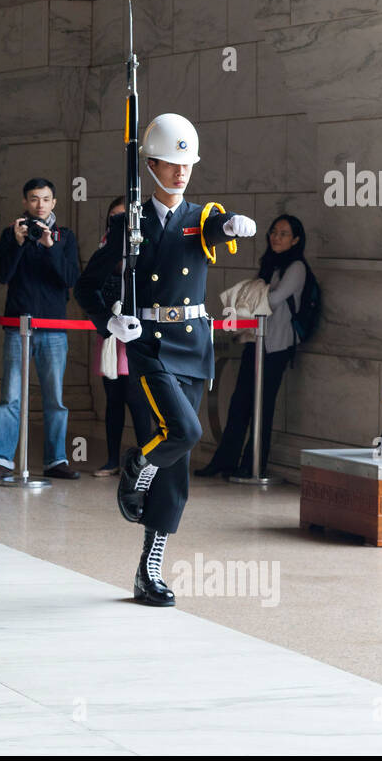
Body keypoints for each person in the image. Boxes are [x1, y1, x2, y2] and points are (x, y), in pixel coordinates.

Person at [74, 114, 256, 606]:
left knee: (176, 461)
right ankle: (138, 465)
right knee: (184, 431)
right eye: (172, 163)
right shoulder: (127, 222)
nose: (181, 172)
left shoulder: (201, 217)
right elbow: (87, 285)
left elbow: (217, 228)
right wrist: (108, 322)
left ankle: (148, 567)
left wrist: (233, 224)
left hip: (192, 344)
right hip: (147, 344)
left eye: (187, 164)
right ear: (150, 163)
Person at [0, 178, 81, 481]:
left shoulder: (65, 237)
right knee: (10, 396)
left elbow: (69, 279)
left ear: (54, 203)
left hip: (54, 327)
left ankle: (56, 460)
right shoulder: (11, 235)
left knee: (55, 398)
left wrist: (50, 247)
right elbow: (2, 275)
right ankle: (2, 459)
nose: (40, 205)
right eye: (34, 199)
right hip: (17, 326)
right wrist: (19, 243)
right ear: (25, 202)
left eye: (46, 199)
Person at [197, 215, 307, 478]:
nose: (276, 237)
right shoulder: (269, 265)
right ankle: (225, 460)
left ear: (295, 239)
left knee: (263, 407)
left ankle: (253, 464)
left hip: (277, 345)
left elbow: (274, 301)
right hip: (255, 342)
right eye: (274, 231)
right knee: (239, 403)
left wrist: (248, 301)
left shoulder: (297, 267)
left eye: (283, 233)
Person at [94, 197, 155, 477]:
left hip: (136, 334)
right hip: (109, 332)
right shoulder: (105, 245)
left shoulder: (143, 244)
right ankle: (111, 460)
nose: (118, 223)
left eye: (123, 218)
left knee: (138, 399)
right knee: (113, 399)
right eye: (113, 218)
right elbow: (93, 284)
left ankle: (147, 461)